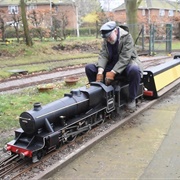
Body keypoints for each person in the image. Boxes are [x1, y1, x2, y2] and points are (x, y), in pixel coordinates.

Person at [85, 21, 143, 112]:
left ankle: (131, 99)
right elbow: (103, 55)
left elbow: (125, 58)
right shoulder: (107, 39)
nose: (108, 40)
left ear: (115, 31)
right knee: (89, 68)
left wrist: (113, 72)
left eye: (109, 37)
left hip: (126, 65)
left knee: (135, 70)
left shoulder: (127, 38)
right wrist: (100, 71)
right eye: (106, 38)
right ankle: (97, 94)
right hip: (111, 64)